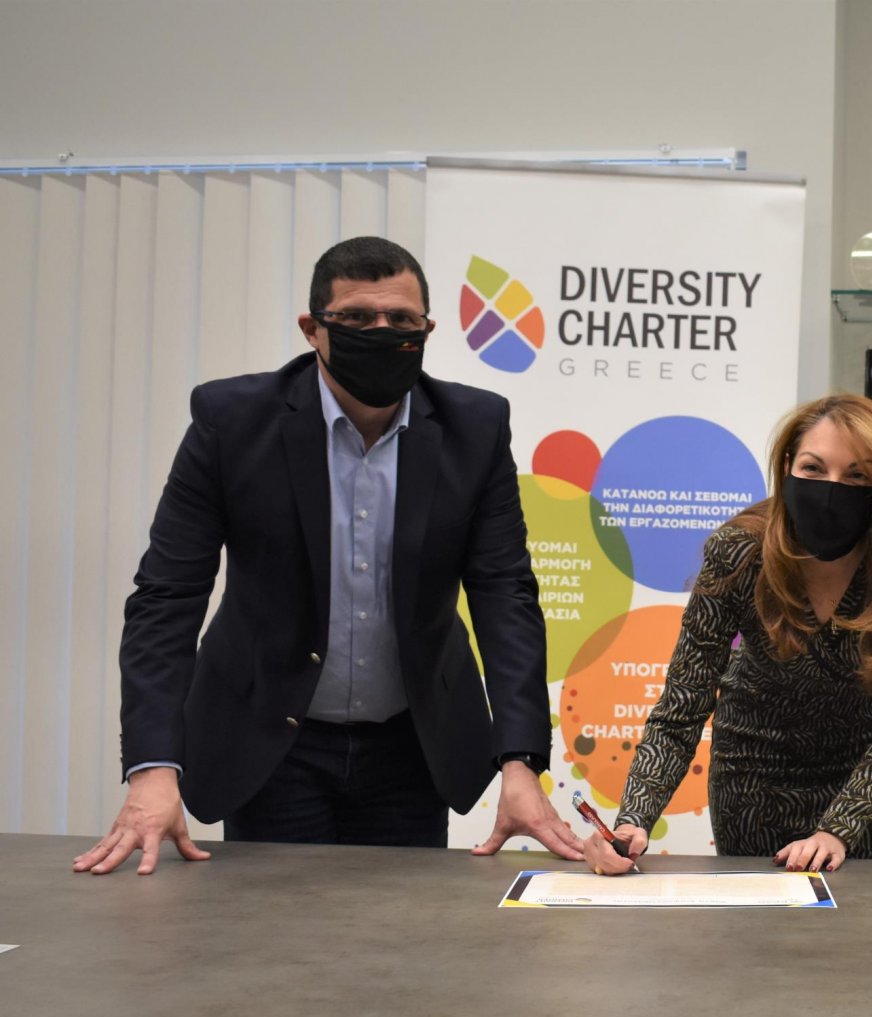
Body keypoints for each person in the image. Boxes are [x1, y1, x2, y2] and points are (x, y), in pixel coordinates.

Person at [74, 236, 584, 874]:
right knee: (269, 928)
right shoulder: (232, 421)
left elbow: (504, 594)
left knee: (402, 932)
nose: (382, 332)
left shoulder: (474, 428)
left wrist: (520, 761)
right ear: (312, 329)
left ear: (427, 329)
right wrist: (153, 767)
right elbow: (167, 596)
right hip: (271, 737)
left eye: (401, 320)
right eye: (357, 318)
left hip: (412, 744)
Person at [582, 394, 872, 875]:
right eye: (814, 468)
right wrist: (633, 819)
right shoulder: (739, 552)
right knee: (757, 919)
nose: (832, 488)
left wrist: (837, 829)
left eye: (857, 476)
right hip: (757, 776)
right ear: (787, 467)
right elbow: (682, 707)